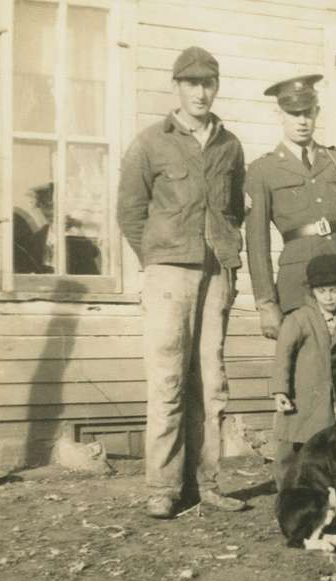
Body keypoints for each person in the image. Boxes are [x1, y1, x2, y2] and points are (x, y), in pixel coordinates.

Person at [116, 46, 247, 519]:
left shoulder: (230, 144)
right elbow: (130, 212)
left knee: (211, 382)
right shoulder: (151, 142)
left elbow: (233, 207)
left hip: (217, 271)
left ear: (216, 86)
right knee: (168, 381)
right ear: (176, 86)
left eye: (208, 82)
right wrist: (156, 259)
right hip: (168, 273)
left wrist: (229, 261)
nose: (201, 91)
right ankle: (164, 487)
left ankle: (207, 483)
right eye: (191, 82)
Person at [245, 74, 336, 336]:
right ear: (279, 115)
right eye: (293, 113)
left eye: (307, 112)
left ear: (317, 112)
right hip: (298, 283)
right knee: (307, 368)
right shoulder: (263, 170)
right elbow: (257, 244)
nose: (302, 121)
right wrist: (266, 303)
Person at [270, 254, 336, 488]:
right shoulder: (298, 319)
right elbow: (283, 356)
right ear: (313, 292)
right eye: (323, 291)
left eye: (334, 290)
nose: (329, 297)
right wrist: (280, 391)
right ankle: (287, 493)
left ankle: (321, 493)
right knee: (292, 446)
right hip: (301, 396)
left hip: (329, 398)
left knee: (324, 445)